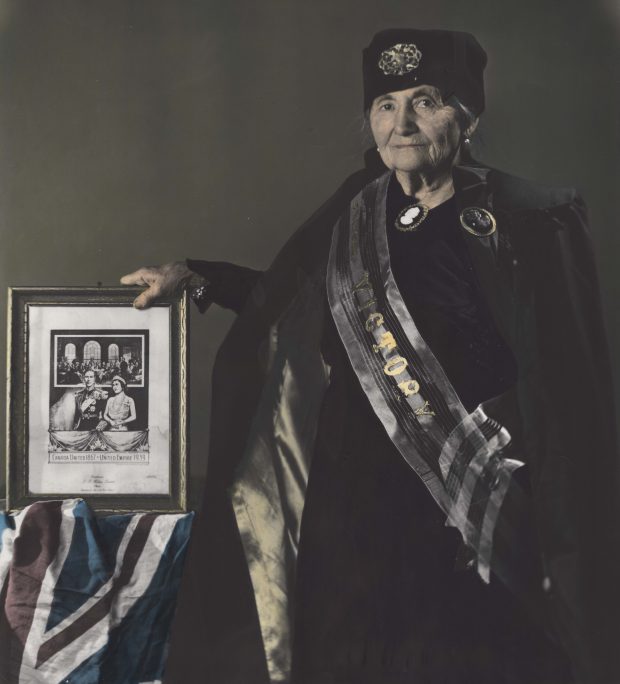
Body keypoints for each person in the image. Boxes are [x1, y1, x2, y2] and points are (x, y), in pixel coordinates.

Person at [122, 29, 619, 684]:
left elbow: (569, 387)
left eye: (426, 100)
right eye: (386, 105)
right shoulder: (355, 211)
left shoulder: (530, 220)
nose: (402, 122)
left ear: (467, 116)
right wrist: (197, 275)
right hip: (349, 509)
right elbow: (290, 301)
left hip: (461, 508)